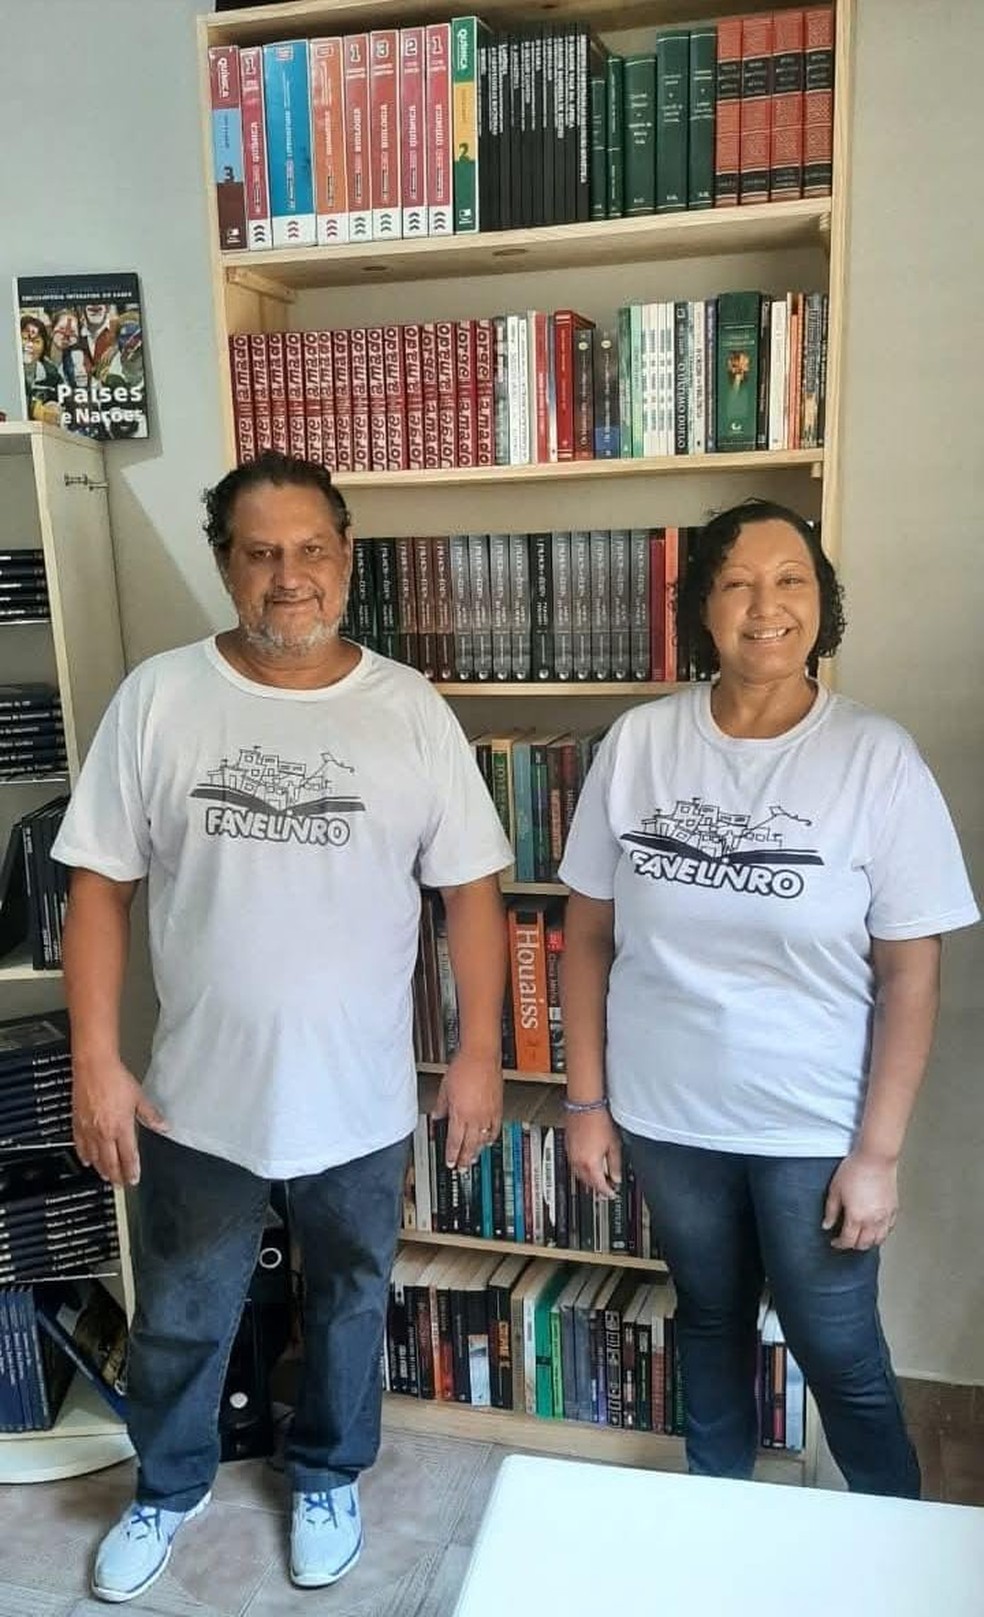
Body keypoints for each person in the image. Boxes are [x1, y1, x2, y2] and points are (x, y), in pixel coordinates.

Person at [52, 450, 511, 1604]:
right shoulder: (160, 697)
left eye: (311, 550)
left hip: (359, 1098)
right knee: (181, 1316)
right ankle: (168, 1488)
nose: (288, 575)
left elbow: (472, 894)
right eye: (260, 553)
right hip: (196, 1099)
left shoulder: (409, 711)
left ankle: (327, 1474)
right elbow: (98, 888)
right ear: (225, 565)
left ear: (345, 557)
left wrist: (477, 1053)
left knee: (351, 1302)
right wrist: (95, 1059)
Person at [558, 498, 978, 1498]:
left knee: (837, 1346)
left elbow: (911, 973)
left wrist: (877, 1156)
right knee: (708, 1320)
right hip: (668, 1118)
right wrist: (586, 1103)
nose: (765, 606)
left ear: (821, 602)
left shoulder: (876, 757)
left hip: (812, 1128)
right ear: (701, 607)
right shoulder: (640, 743)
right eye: (737, 583)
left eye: (791, 580)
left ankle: (892, 1542)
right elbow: (588, 934)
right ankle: (720, 1516)